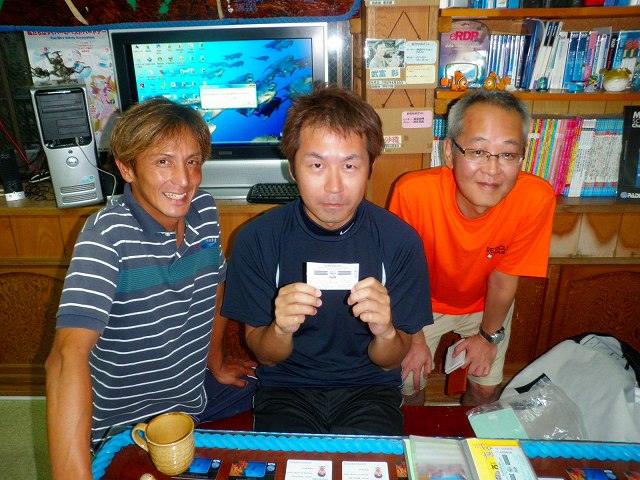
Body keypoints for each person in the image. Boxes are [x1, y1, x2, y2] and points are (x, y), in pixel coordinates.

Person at [45, 97, 257, 479]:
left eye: (192, 161)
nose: (184, 180)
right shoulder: (106, 234)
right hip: (124, 427)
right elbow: (65, 357)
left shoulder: (205, 211)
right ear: (127, 168)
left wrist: (216, 360)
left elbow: (216, 284)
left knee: (289, 384)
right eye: (163, 162)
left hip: (191, 399)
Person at [221, 83, 432, 435]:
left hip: (369, 388)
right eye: (317, 164)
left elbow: (390, 361)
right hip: (286, 388)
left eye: (350, 165)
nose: (334, 187)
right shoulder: (256, 239)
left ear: (370, 167)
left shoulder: (400, 241)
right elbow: (266, 355)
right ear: (293, 168)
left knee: (371, 463)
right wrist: (280, 329)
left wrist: (385, 332)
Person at [389, 89, 556, 406]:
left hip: (486, 302)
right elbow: (401, 277)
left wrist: (488, 337)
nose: (492, 170)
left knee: (486, 390)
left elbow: (504, 279)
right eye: (478, 151)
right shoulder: (413, 193)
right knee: (409, 385)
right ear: (449, 152)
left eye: (508, 154)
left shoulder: (535, 198)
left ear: (522, 157)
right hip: (421, 303)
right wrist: (414, 336)